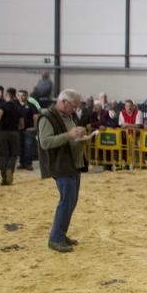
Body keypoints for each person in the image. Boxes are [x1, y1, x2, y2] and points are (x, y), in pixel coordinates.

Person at [37, 89, 87, 253]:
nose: (75, 109)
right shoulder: (47, 118)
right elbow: (45, 142)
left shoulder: (67, 116)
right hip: (61, 165)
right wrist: (69, 135)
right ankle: (55, 238)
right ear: (64, 102)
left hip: (73, 164)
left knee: (70, 202)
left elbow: (70, 136)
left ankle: (61, 234)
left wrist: (80, 136)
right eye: (73, 106)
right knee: (66, 202)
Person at [0, 88, 24, 185]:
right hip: (14, 133)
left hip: (2, 133)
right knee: (13, 155)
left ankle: (4, 178)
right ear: (14, 95)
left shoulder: (2, 105)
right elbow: (22, 124)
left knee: (3, 155)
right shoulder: (18, 107)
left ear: (7, 95)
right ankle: (10, 170)